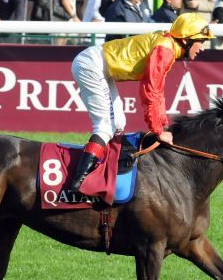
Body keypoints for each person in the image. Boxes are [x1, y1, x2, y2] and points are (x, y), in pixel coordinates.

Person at [68, 12, 213, 192]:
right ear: (186, 39)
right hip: (91, 65)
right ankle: (78, 183)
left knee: (119, 122)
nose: (203, 47)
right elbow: (150, 91)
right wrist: (158, 130)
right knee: (105, 126)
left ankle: (106, 171)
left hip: (98, 65)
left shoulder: (168, 45)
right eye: (201, 41)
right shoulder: (165, 49)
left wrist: (162, 125)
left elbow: (157, 92)